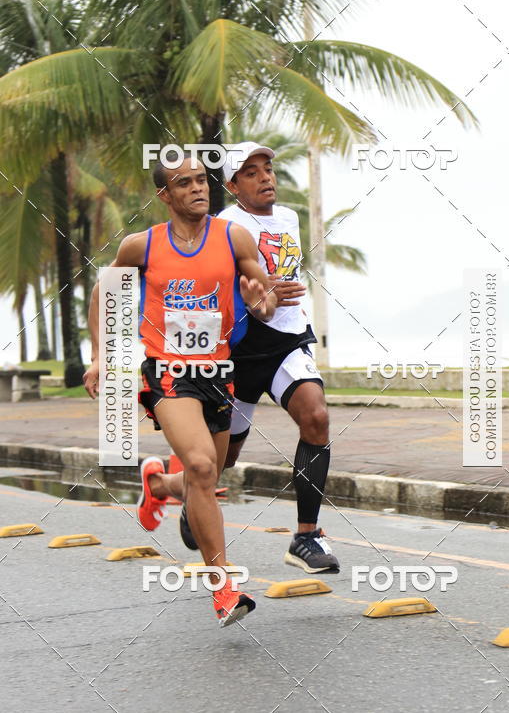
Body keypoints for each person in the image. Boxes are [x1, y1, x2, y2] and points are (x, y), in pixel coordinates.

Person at [83, 154, 277, 627]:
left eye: (201, 180)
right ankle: (224, 587)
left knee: (200, 480)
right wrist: (99, 355)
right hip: (167, 372)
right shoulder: (141, 246)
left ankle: (157, 485)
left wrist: (261, 303)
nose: (197, 188)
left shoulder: (233, 237)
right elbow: (102, 293)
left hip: (219, 372)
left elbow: (266, 301)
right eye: (183, 183)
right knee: (203, 465)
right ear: (164, 196)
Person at [180, 141, 339, 574]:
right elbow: (211, 291)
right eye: (251, 172)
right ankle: (189, 492)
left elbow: (282, 277)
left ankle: (306, 538)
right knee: (219, 462)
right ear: (233, 185)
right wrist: (256, 297)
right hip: (239, 352)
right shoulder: (225, 227)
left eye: (267, 168)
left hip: (286, 341)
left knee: (317, 418)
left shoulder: (287, 218)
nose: (265, 177)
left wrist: (275, 294)